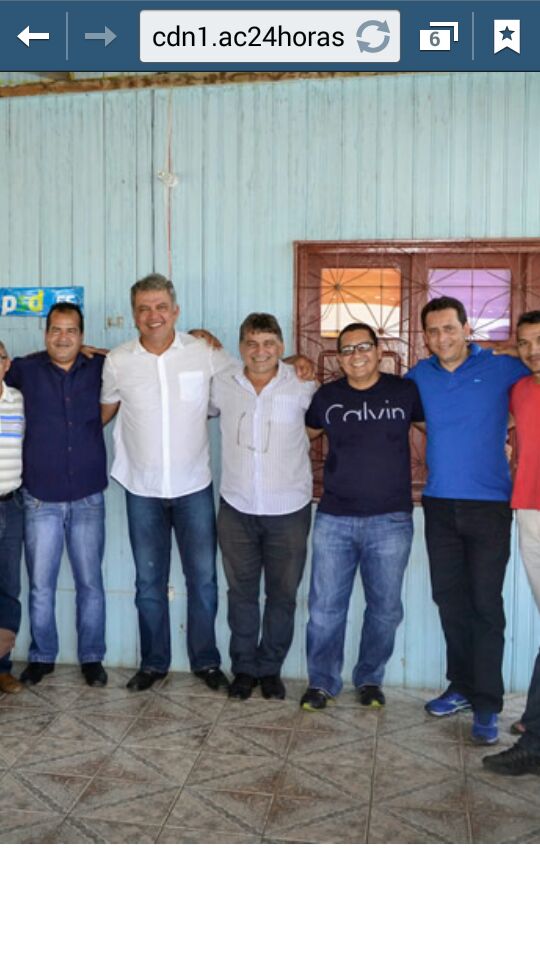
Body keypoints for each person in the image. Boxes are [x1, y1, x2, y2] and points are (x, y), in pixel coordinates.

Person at [101, 273, 234, 692]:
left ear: (175, 311)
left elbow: (247, 379)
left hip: (193, 486)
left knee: (204, 580)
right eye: (144, 308)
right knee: (148, 584)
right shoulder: (118, 361)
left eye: (161, 307)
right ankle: (153, 663)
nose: (153, 315)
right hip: (141, 488)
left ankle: (206, 662)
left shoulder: (204, 352)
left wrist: (295, 364)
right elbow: (102, 411)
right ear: (134, 315)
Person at [407, 296, 528, 745]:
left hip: (489, 506)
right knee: (449, 601)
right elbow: (413, 415)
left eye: (449, 328)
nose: (442, 338)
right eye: (433, 331)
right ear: (425, 336)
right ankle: (460, 686)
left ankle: (487, 703)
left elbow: (531, 370)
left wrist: (515, 347)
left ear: (466, 329)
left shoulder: (502, 368)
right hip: (439, 504)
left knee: (485, 606)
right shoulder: (419, 376)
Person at [300, 322, 424, 711]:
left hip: (391, 521)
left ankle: (370, 679)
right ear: (339, 358)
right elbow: (299, 437)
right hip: (334, 519)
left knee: (385, 610)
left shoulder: (404, 392)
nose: (356, 356)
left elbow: (439, 429)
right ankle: (322, 682)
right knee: (324, 609)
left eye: (364, 347)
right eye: (348, 349)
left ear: (378, 351)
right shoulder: (327, 397)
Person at [210, 313, 315, 701]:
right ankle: (243, 668)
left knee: (282, 595)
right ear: (241, 347)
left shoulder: (303, 385)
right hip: (237, 508)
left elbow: (322, 425)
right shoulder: (222, 384)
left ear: (281, 347)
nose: (260, 351)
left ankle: (270, 668)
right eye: (252, 343)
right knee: (240, 594)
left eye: (269, 343)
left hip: (289, 509)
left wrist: (301, 361)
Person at [7, 303, 108, 687]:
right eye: (56, 330)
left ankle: (92, 658)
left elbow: (136, 361)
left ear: (82, 335)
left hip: (87, 496)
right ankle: (42, 656)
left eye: (71, 330)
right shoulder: (25, 370)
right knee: (41, 585)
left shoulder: (100, 367)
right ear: (45, 333)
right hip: (40, 498)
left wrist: (97, 351)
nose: (63, 337)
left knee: (90, 583)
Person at [483, 311, 540, 774]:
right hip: (530, 511)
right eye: (524, 343)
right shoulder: (520, 389)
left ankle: (534, 739)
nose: (533, 350)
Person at [0, 341, 25, 694]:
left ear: (6, 364)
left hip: (11, 504)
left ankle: (2, 668)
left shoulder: (19, 401)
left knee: (8, 588)